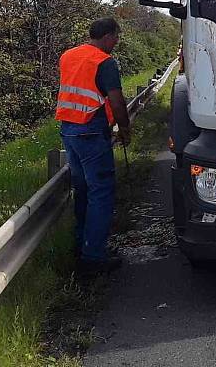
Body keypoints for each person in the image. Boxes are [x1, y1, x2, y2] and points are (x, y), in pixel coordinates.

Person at [55, 17, 131, 274]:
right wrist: (125, 129)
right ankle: (94, 257)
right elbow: (117, 102)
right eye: (116, 37)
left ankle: (84, 245)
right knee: (101, 193)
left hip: (69, 131)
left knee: (83, 191)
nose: (117, 42)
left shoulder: (68, 55)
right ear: (108, 36)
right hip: (90, 132)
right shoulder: (104, 62)